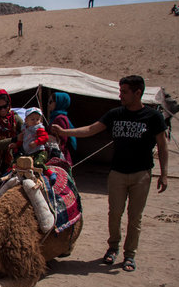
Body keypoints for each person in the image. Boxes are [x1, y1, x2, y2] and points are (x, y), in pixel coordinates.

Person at [52, 75, 168, 272]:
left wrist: (164, 174)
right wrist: (64, 132)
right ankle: (113, 248)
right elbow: (91, 129)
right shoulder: (115, 114)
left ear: (137, 93)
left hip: (141, 174)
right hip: (117, 173)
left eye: (124, 92)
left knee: (135, 217)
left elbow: (163, 146)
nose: (120, 95)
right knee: (114, 213)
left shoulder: (153, 117)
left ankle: (130, 255)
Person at [9, 107, 55, 183]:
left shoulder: (38, 128)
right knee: (17, 161)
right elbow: (22, 141)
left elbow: (45, 137)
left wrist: (36, 142)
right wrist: (16, 145)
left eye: (37, 119)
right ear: (26, 120)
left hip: (38, 151)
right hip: (27, 152)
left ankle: (50, 174)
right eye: (32, 119)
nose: (35, 121)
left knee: (38, 163)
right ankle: (11, 173)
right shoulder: (24, 129)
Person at [47, 92, 76, 166]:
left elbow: (62, 139)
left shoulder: (60, 119)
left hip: (58, 154)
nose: (48, 104)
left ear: (59, 103)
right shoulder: (55, 117)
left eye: (51, 102)